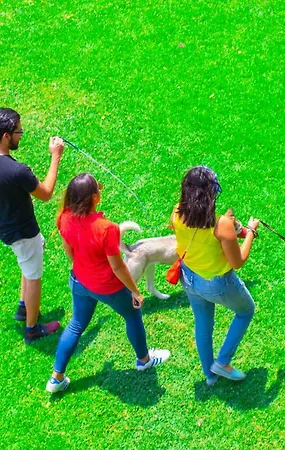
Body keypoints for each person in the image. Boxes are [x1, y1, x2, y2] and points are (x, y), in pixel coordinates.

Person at [46, 173, 170, 393]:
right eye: (98, 188)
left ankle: (56, 378)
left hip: (79, 281)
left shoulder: (64, 217)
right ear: (94, 197)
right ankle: (144, 360)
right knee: (132, 314)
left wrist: (84, 269)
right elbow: (118, 267)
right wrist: (135, 291)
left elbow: (70, 252)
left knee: (76, 325)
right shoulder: (107, 228)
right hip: (107, 287)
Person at [171, 166, 259, 386]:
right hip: (217, 283)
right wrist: (251, 231)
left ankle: (210, 376)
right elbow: (238, 261)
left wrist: (227, 224)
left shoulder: (177, 212)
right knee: (246, 311)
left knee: (203, 325)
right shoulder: (221, 225)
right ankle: (222, 362)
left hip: (189, 277)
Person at [0, 107, 64, 343]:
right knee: (34, 275)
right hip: (23, 232)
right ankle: (32, 329)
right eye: (18, 131)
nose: (21, 135)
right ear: (6, 135)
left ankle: (23, 307)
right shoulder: (18, 171)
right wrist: (56, 156)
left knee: (27, 264)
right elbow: (46, 193)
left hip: (6, 229)